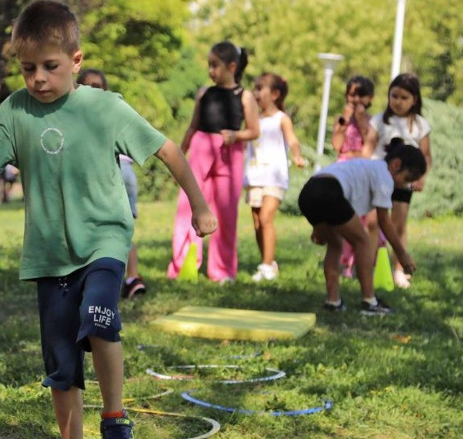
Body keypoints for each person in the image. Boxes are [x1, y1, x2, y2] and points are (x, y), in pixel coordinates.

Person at [0, 0, 216, 439]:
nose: (38, 79)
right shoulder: (14, 111)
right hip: (50, 253)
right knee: (61, 367)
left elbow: (168, 151)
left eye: (50, 67)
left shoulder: (104, 107)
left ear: (75, 61)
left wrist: (200, 205)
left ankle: (115, 419)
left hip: (104, 240)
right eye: (28, 68)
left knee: (99, 318)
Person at [299, 139, 426, 316]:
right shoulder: (385, 176)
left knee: (335, 244)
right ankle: (369, 301)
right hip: (330, 190)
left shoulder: (368, 167)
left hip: (308, 192)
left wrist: (319, 224)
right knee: (363, 242)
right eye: (406, 179)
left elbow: (325, 194)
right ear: (396, 164)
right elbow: (384, 221)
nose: (403, 185)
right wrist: (402, 255)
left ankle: (333, 301)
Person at [168, 41, 260, 282]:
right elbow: (192, 126)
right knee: (189, 207)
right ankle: (183, 265)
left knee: (226, 214)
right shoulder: (204, 93)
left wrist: (236, 135)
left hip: (230, 155)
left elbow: (254, 130)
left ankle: (222, 270)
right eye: (209, 65)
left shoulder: (245, 96)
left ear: (231, 66)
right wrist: (179, 155)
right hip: (200, 149)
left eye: (215, 65)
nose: (210, 70)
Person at [77, 68, 147, 297]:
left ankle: (100, 278)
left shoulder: (80, 116)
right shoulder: (115, 109)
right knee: (123, 230)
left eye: (96, 88)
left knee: (103, 229)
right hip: (127, 172)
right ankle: (132, 277)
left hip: (113, 176)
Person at [363, 73, 432, 289]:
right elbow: (369, 146)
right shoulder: (379, 120)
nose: (398, 101)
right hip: (378, 178)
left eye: (404, 97)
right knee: (373, 223)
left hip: (403, 183)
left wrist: (421, 177)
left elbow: (426, 155)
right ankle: (369, 266)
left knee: (398, 224)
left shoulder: (420, 125)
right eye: (394, 96)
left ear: (414, 100)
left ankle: (399, 270)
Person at [244, 72, 307, 282]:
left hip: (275, 175)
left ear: (275, 94)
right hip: (254, 175)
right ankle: (267, 261)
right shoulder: (254, 120)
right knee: (256, 222)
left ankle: (267, 265)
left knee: (266, 217)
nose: (256, 93)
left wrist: (297, 156)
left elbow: (292, 140)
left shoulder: (282, 119)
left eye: (260, 88)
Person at [329, 75, 375, 278]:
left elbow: (369, 144)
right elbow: (337, 144)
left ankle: (358, 262)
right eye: (351, 96)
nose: (355, 101)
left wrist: (362, 120)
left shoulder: (373, 122)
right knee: (343, 215)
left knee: (362, 218)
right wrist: (344, 122)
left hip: (362, 168)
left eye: (359, 96)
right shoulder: (341, 120)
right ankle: (342, 261)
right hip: (344, 167)